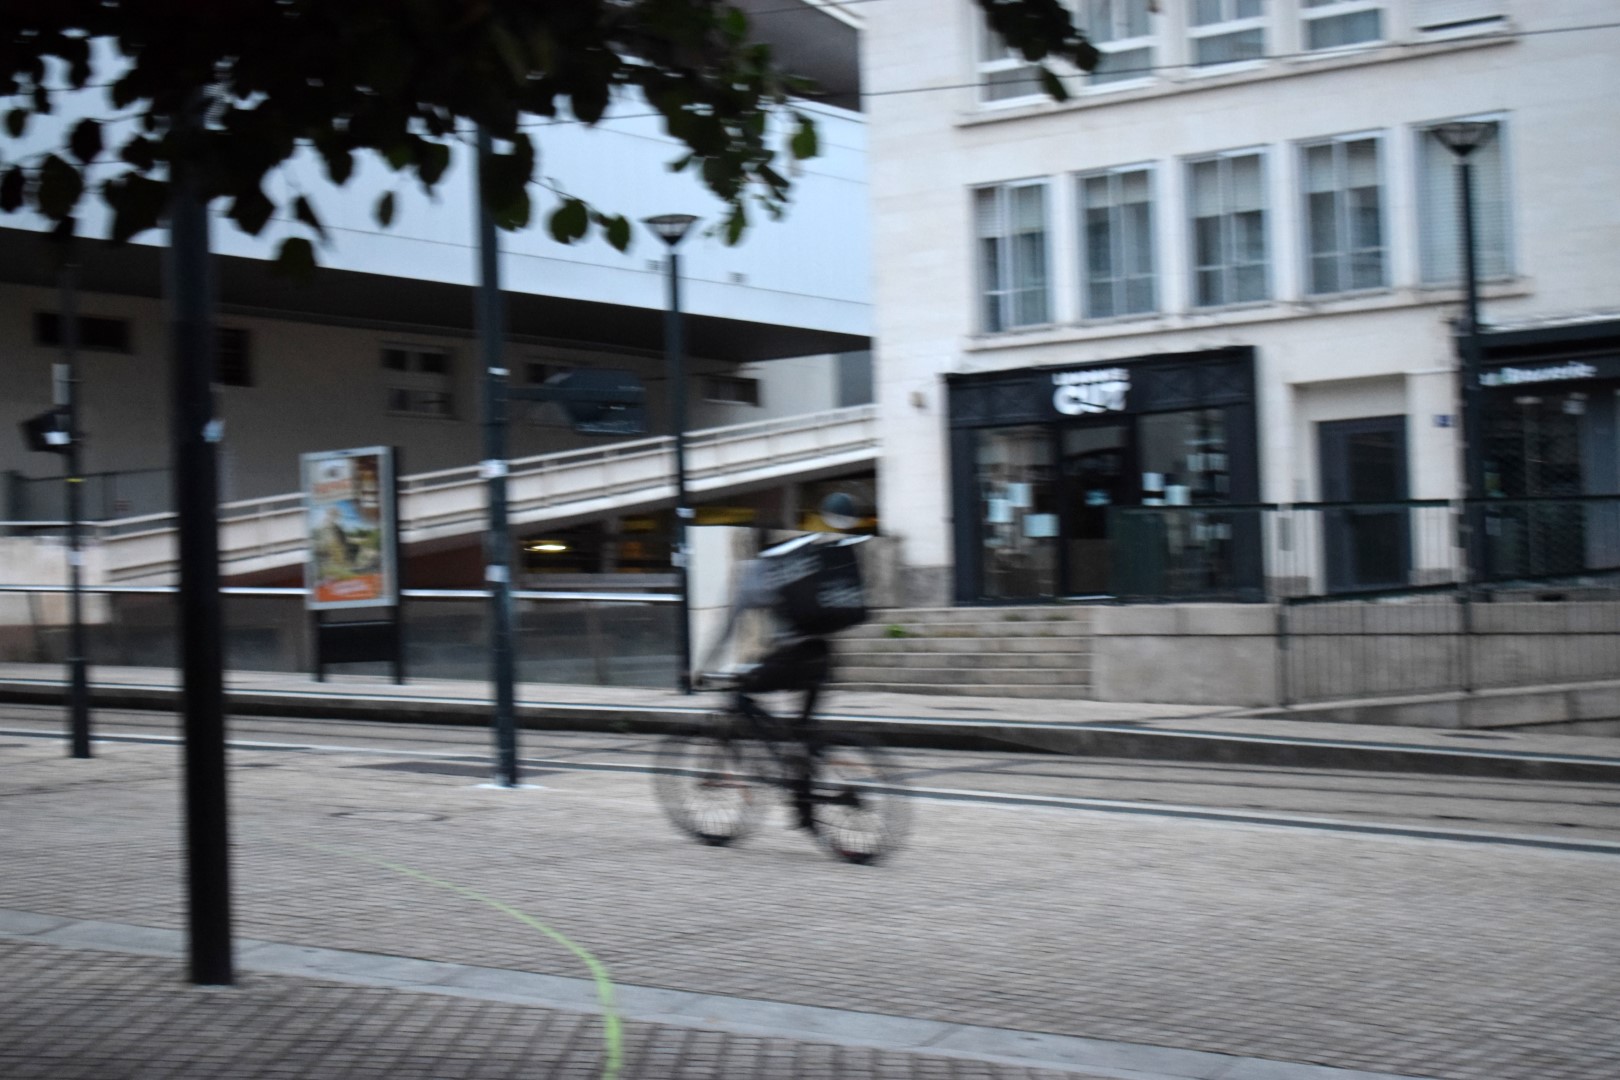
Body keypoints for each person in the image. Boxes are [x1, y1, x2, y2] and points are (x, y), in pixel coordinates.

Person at [695, 492, 866, 830]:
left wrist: (703, 668)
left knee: (742, 691)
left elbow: (728, 627)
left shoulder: (754, 571)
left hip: (793, 658)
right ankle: (805, 813)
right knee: (801, 734)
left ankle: (790, 781)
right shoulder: (797, 567)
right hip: (823, 656)